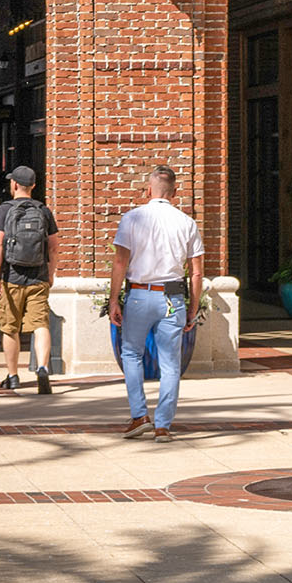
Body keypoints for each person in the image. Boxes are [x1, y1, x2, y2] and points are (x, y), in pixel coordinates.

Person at [105, 163, 204, 441]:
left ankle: (139, 416)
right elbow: (196, 272)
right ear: (175, 192)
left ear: (148, 190)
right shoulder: (186, 222)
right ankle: (163, 426)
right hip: (172, 297)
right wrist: (193, 309)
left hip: (139, 294)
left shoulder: (132, 218)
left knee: (132, 354)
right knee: (170, 363)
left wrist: (114, 300)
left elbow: (120, 261)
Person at [0, 163, 55, 395]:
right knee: (41, 325)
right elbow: (54, 247)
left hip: (11, 276)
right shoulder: (43, 210)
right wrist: (51, 273)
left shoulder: (4, 210)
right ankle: (43, 368)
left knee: (10, 327)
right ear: (34, 185)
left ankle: (13, 375)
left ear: (14, 184)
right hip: (38, 276)